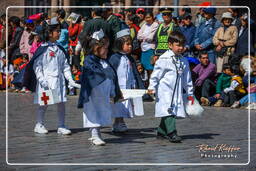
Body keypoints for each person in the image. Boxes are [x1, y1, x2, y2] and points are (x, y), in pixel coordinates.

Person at [23, 17, 80, 135]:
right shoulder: (43, 48)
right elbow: (37, 66)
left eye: (59, 30)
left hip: (59, 81)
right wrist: (42, 80)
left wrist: (70, 79)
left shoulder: (59, 48)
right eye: (57, 31)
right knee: (44, 104)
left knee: (61, 104)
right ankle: (39, 124)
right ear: (49, 33)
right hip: (47, 81)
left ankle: (61, 125)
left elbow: (65, 66)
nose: (59, 33)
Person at [147, 31, 194, 143]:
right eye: (178, 45)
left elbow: (187, 78)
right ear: (170, 45)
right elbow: (155, 75)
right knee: (169, 110)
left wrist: (190, 93)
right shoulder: (164, 59)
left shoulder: (183, 61)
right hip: (165, 91)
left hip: (177, 91)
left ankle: (161, 131)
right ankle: (172, 132)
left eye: (182, 45)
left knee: (171, 110)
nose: (180, 48)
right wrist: (152, 87)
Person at [78, 29, 122, 145]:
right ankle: (94, 134)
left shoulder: (105, 61)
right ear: (96, 48)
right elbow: (93, 73)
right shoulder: (89, 60)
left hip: (103, 94)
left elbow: (112, 76)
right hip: (92, 94)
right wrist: (103, 72)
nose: (107, 50)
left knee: (101, 112)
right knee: (92, 112)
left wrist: (114, 91)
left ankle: (97, 133)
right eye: (105, 48)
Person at [108, 29, 145, 133]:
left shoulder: (129, 58)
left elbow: (132, 73)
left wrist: (135, 84)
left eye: (131, 44)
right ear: (120, 44)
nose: (130, 46)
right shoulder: (115, 58)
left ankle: (119, 122)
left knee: (124, 105)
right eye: (127, 44)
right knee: (119, 105)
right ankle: (118, 122)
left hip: (127, 87)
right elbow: (111, 72)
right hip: (118, 86)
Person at [137, 12, 158, 77]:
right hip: (144, 50)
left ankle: (152, 84)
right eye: (146, 18)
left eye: (149, 17)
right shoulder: (144, 25)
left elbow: (150, 38)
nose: (147, 19)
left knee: (151, 68)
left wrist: (143, 37)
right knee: (144, 67)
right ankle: (147, 83)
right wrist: (145, 37)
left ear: (152, 17)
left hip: (150, 49)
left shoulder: (155, 25)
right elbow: (138, 36)